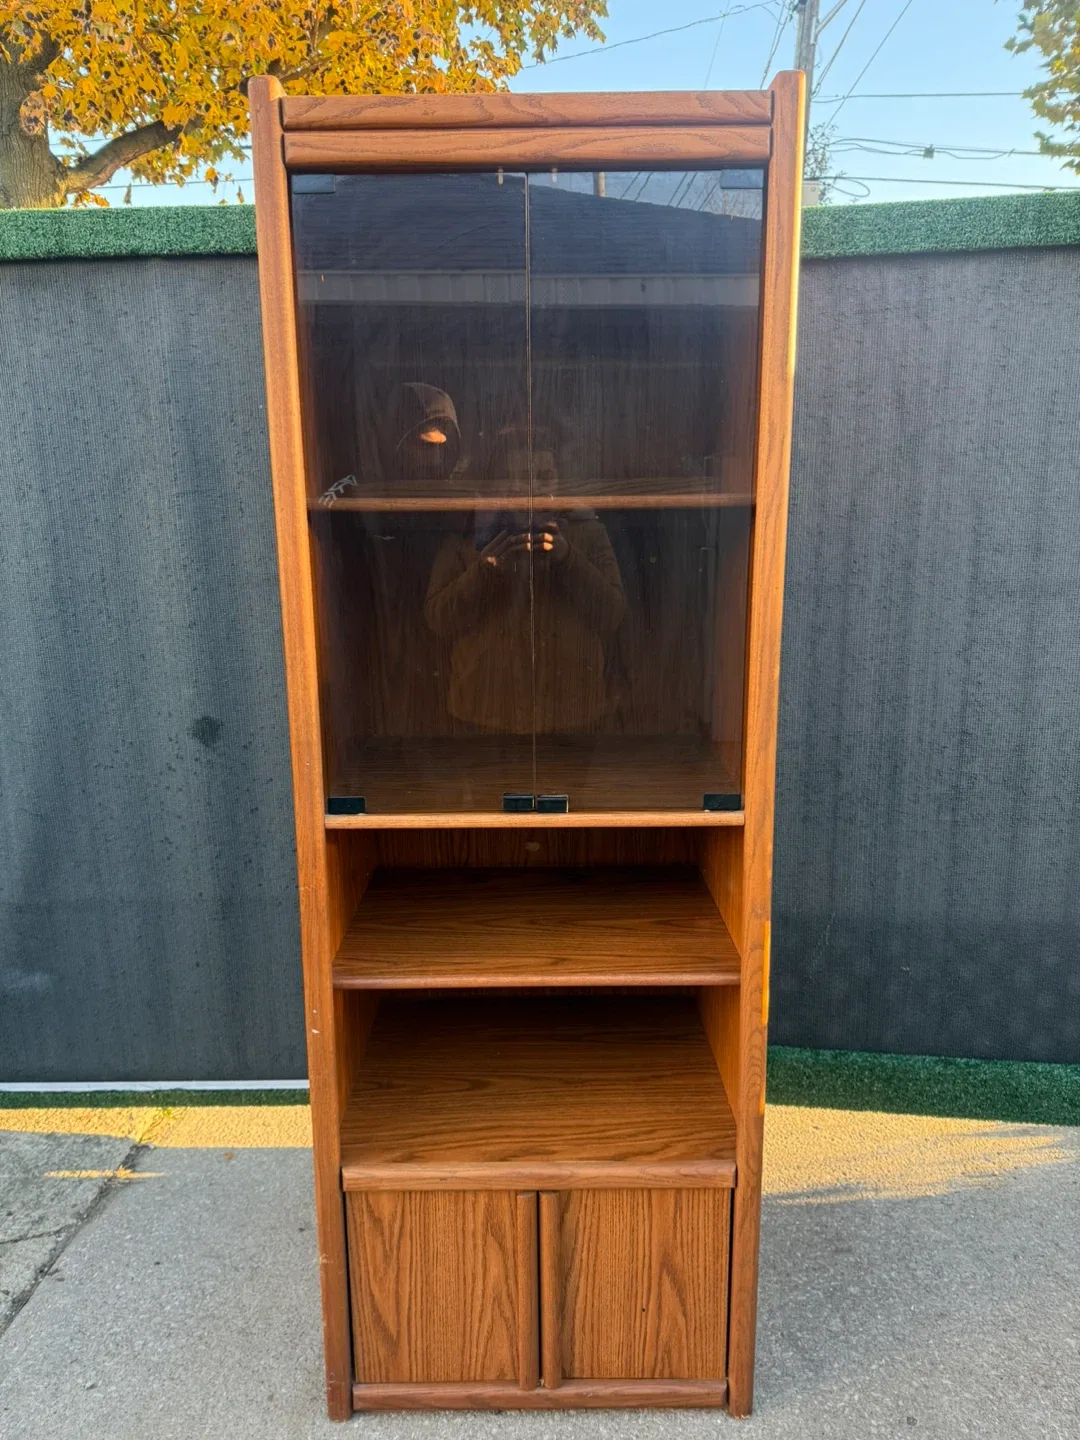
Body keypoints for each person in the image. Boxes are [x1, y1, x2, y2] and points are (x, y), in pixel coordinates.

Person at [424, 478, 627, 734]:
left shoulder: (588, 533)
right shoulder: (469, 534)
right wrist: (486, 570)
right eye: (516, 479)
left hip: (572, 709)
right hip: (481, 706)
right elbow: (438, 619)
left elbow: (611, 615)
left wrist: (567, 558)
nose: (532, 487)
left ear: (558, 484)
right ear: (499, 487)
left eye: (544, 476)